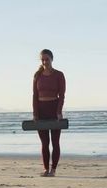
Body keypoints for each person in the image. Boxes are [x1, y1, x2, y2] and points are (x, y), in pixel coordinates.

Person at [32, 49, 66, 177]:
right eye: (43, 59)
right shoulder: (37, 76)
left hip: (53, 108)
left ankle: (54, 169)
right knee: (44, 143)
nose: (45, 62)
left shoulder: (59, 75)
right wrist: (35, 113)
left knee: (55, 141)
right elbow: (34, 95)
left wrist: (59, 111)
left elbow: (62, 95)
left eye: (47, 59)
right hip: (41, 109)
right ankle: (46, 169)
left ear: (52, 59)